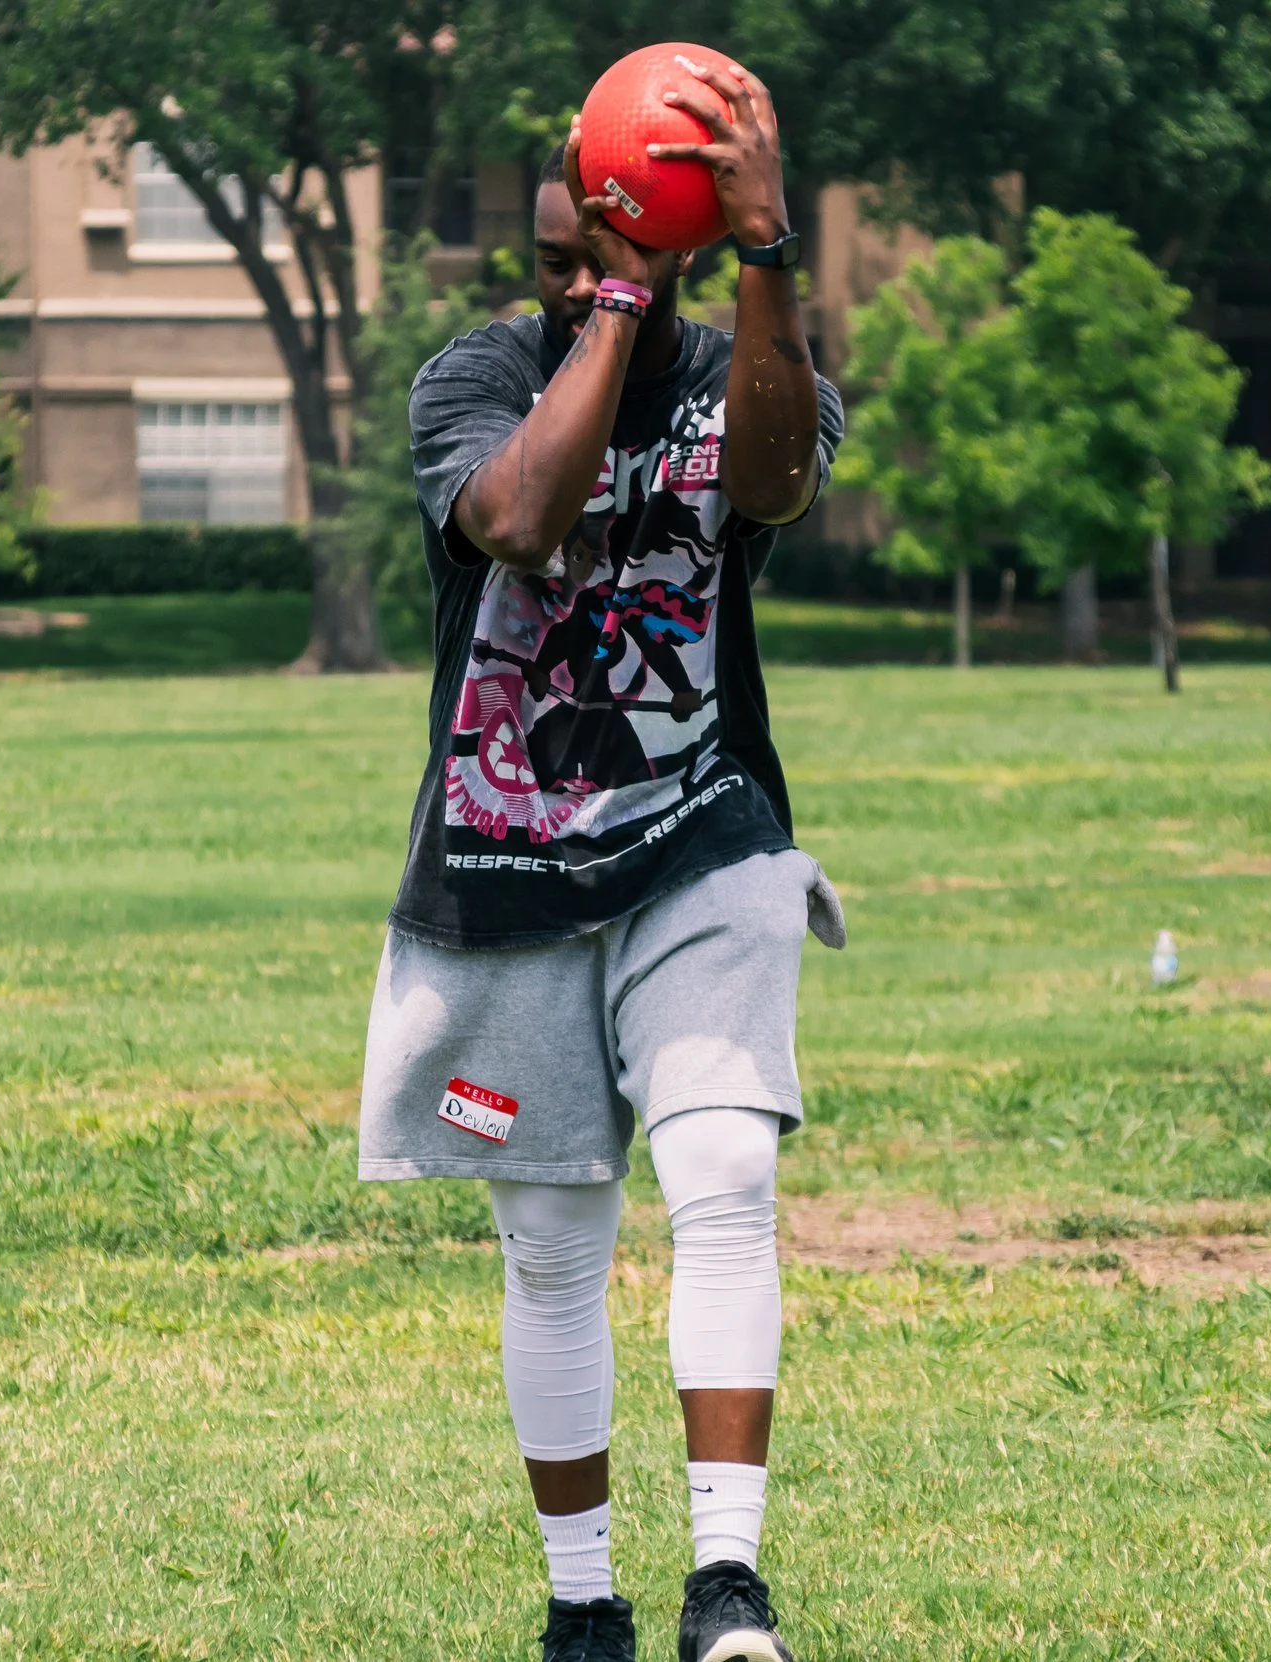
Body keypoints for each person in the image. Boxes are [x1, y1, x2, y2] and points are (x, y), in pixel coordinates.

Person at [356, 54, 844, 1662]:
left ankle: (728, 1590)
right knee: (556, 1246)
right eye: (556, 262)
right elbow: (516, 518)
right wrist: (615, 312)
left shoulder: (750, 357)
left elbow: (773, 482)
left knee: (726, 1170)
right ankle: (585, 1602)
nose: (575, 283)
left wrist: (760, 254)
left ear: (686, 242)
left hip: (704, 833)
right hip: (506, 870)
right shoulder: (475, 376)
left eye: (609, 257)